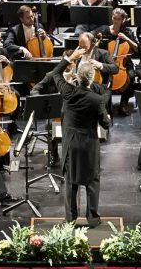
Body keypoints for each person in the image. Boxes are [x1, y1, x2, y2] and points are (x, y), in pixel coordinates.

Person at [50, 51, 111, 226]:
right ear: (91, 79)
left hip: (71, 143)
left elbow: (56, 73)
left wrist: (69, 58)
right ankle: (92, 218)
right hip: (89, 144)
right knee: (92, 181)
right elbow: (105, 124)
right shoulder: (97, 99)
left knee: (71, 182)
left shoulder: (67, 92)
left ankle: (70, 219)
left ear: (78, 76)